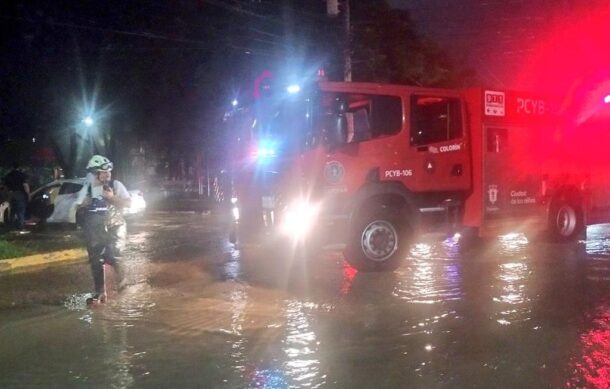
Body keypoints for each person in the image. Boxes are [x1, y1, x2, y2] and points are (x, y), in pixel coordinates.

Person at [78, 155, 131, 304]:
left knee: (113, 254)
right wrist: (83, 204)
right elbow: (77, 206)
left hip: (115, 225)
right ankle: (100, 293)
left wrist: (112, 197)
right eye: (103, 172)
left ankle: (123, 285)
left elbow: (128, 203)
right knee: (96, 260)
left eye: (109, 171)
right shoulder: (87, 187)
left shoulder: (115, 185)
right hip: (94, 227)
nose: (108, 174)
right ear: (95, 173)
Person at [3, 162, 30, 230]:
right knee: (21, 210)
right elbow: (25, 185)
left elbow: (5, 187)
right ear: (19, 167)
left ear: (12, 167)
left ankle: (11, 225)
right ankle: (20, 226)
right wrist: (28, 194)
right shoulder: (22, 175)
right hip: (20, 194)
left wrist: (6, 196)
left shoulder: (8, 175)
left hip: (11, 194)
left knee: (12, 210)